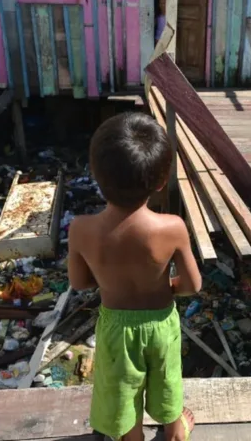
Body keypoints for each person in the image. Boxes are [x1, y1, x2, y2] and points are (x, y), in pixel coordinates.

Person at [68, 112, 201, 441]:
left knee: (120, 389)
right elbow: (192, 285)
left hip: (116, 328)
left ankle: (133, 437)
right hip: (160, 325)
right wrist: (165, 285)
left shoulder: (81, 229)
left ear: (97, 176)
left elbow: (80, 283)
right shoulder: (171, 228)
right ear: (160, 182)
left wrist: (109, 277)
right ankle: (173, 429)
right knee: (167, 378)